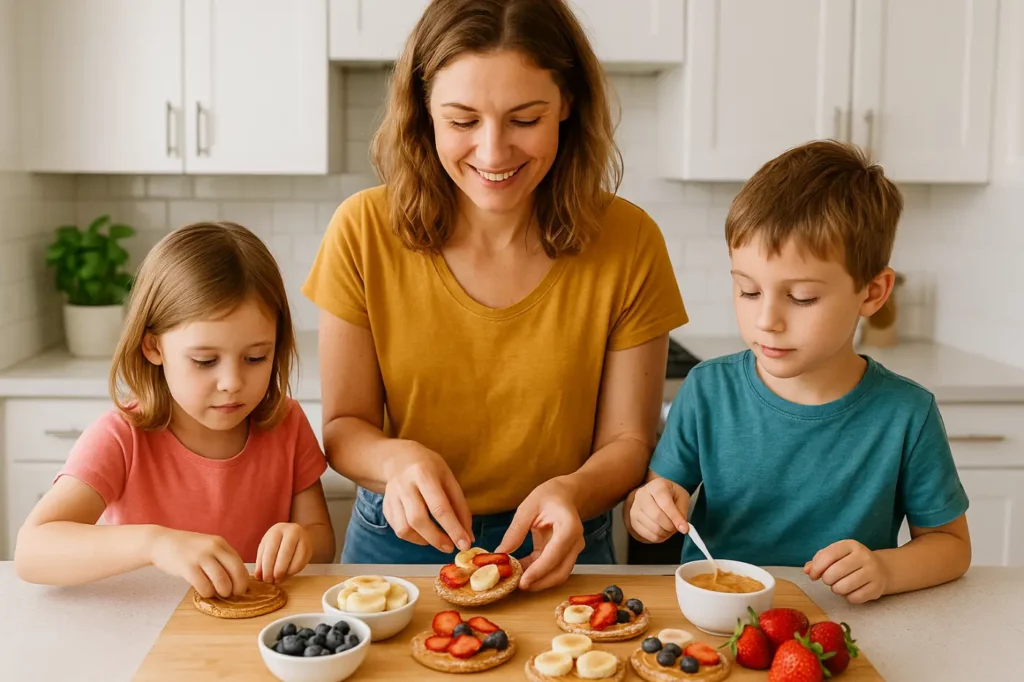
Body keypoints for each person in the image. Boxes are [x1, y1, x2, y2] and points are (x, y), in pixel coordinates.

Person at [303, 0, 688, 590]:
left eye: (525, 119)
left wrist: (572, 492)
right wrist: (397, 460)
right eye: (463, 122)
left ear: (568, 103)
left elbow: (628, 441)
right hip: (399, 539)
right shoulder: (362, 230)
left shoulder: (630, 241)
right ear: (423, 111)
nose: (492, 152)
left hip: (561, 542)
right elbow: (344, 426)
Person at [625, 140, 972, 604]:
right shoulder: (707, 390)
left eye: (802, 297)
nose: (766, 320)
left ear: (872, 293)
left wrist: (887, 570)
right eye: (749, 292)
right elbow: (651, 502)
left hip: (843, 626)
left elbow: (951, 546)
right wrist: (646, 513)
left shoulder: (907, 413)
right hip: (718, 624)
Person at [14, 222, 336, 598]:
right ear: (153, 347)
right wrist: (155, 544)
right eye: (205, 361)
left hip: (255, 625)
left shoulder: (287, 423)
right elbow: (31, 552)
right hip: (145, 623)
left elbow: (322, 542)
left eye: (255, 357)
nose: (232, 382)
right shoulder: (121, 437)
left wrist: (300, 541)